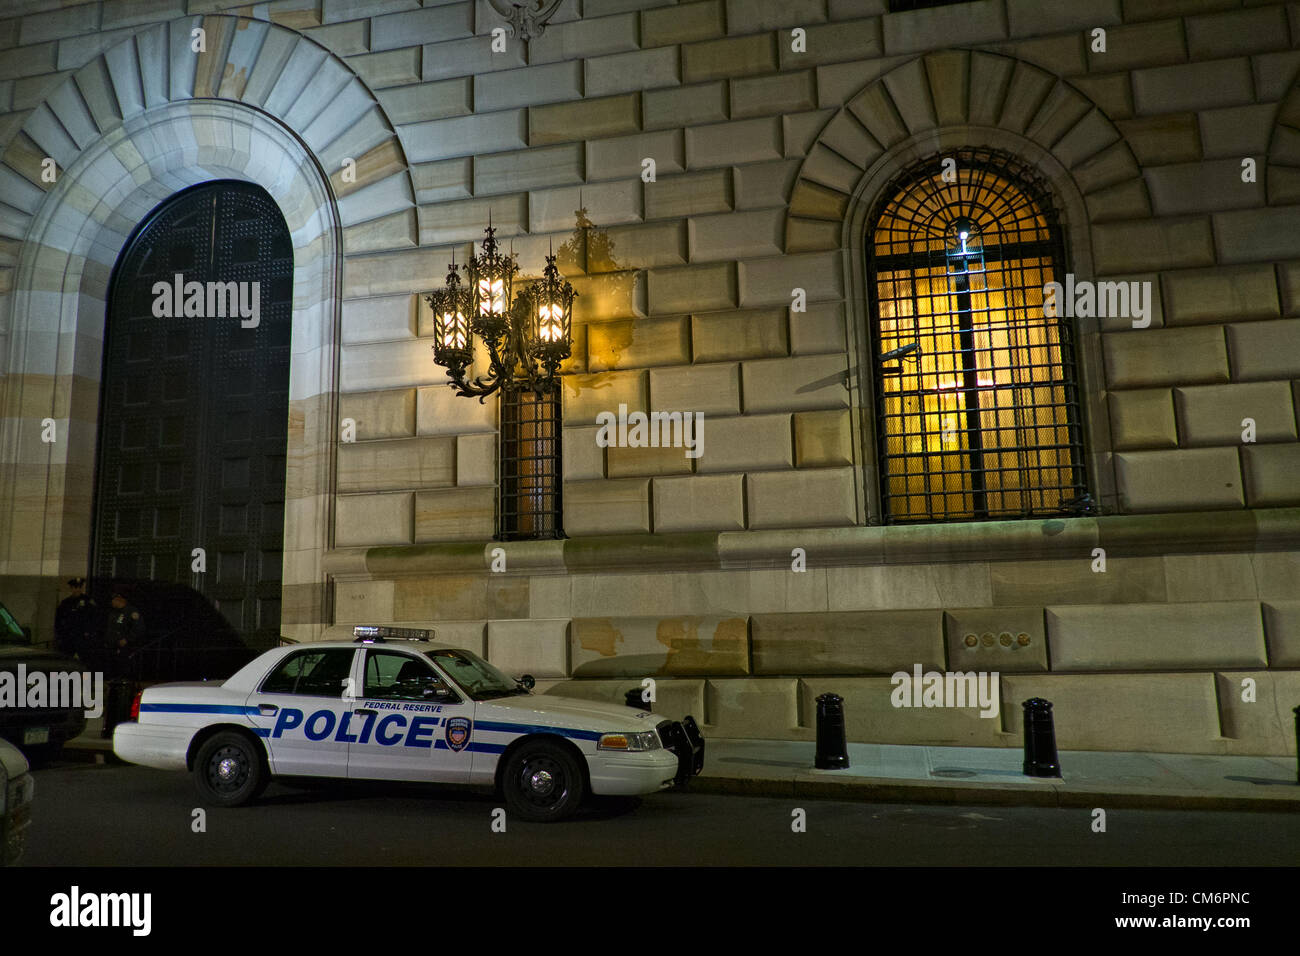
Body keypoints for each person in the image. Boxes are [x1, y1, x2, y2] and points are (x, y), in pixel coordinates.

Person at [53, 577, 102, 661]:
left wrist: (90, 633)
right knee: (67, 660)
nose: (78, 590)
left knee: (84, 661)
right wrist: (59, 635)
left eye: (80, 587)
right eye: (75, 587)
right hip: (68, 637)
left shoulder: (88, 602)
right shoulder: (65, 603)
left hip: (83, 638)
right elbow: (58, 620)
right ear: (71, 588)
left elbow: (95, 619)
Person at [105, 592, 145, 680]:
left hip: (126, 648)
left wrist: (127, 639)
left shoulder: (131, 611)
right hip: (112, 647)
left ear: (120, 600)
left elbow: (138, 628)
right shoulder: (113, 612)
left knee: (124, 671)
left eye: (114, 600)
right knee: (113, 671)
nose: (112, 603)